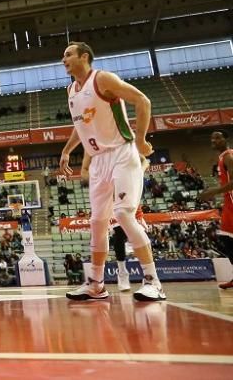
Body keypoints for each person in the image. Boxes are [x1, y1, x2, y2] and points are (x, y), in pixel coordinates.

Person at [58, 41, 164, 302]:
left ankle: (153, 281)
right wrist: (67, 149)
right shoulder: (71, 90)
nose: (64, 59)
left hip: (121, 153)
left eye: (68, 54)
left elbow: (142, 100)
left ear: (85, 56)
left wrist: (140, 140)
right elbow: (80, 125)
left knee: (124, 213)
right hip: (98, 161)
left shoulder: (102, 79)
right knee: (96, 223)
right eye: (63, 56)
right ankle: (96, 284)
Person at [198, 130, 233, 289]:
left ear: (226, 139)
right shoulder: (222, 157)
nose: (214, 140)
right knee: (226, 240)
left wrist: (213, 192)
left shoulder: (228, 156)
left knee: (227, 240)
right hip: (228, 203)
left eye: (218, 137)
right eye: (212, 138)